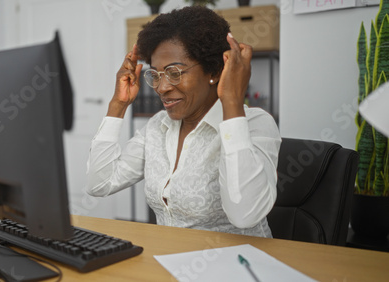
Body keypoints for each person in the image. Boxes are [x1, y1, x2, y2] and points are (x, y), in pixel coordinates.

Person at [86, 6, 281, 237]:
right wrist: (117, 105)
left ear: (215, 71)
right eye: (156, 75)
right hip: (170, 264)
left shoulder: (255, 124)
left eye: (175, 73)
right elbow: (99, 184)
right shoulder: (158, 126)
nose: (162, 87)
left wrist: (232, 101)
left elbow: (244, 215)